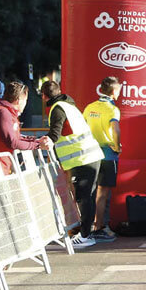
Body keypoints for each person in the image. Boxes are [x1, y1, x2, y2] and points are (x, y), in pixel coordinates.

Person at [42, 80, 104, 249]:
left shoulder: (57, 109)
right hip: (89, 156)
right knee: (87, 197)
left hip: (82, 158)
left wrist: (42, 142)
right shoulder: (69, 105)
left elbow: (55, 133)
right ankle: (86, 233)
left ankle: (85, 235)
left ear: (44, 96)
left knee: (84, 198)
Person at [83, 77, 122, 242]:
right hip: (107, 154)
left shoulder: (89, 107)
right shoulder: (112, 109)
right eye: (119, 90)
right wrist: (117, 146)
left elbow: (82, 128)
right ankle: (98, 227)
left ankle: (93, 225)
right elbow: (115, 129)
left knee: (92, 192)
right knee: (103, 193)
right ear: (114, 92)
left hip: (90, 154)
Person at [0, 81, 51, 156]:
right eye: (25, 100)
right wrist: (38, 145)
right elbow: (12, 142)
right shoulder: (3, 113)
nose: (25, 104)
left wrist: (37, 141)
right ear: (18, 100)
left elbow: (16, 138)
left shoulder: (8, 113)